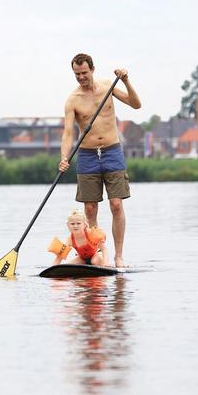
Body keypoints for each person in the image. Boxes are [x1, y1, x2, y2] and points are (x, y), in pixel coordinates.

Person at [59, 53, 141, 268]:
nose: (81, 77)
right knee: (90, 209)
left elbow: (136, 104)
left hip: (111, 151)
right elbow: (68, 133)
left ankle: (118, 257)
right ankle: (96, 255)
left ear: (93, 69)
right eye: (77, 74)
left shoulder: (108, 86)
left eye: (84, 73)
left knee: (116, 204)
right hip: (87, 155)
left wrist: (125, 80)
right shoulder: (72, 100)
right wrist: (64, 158)